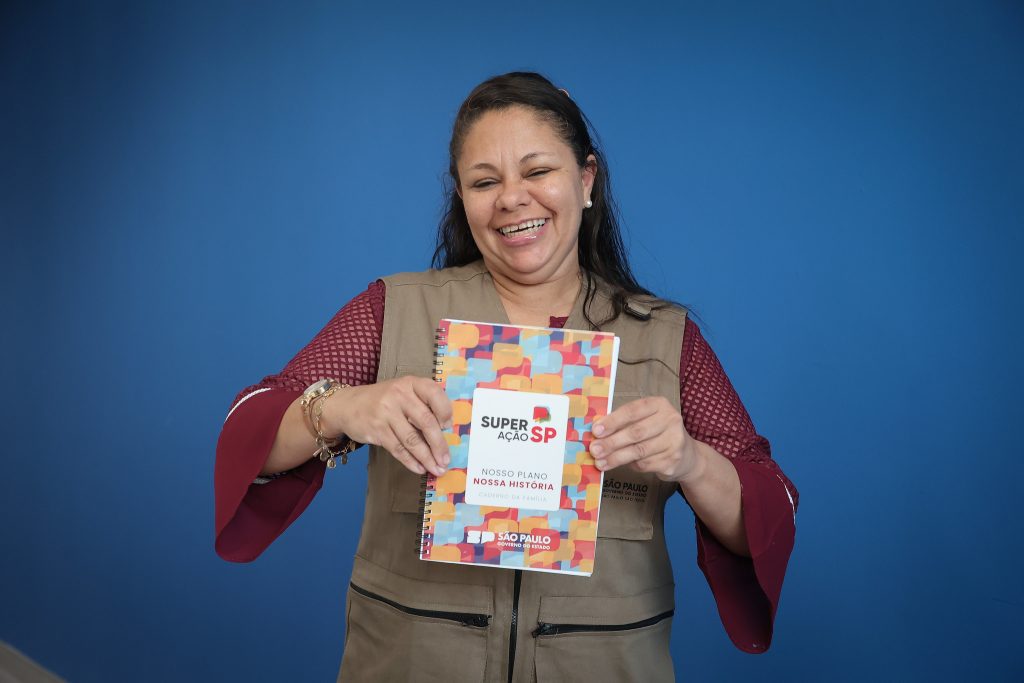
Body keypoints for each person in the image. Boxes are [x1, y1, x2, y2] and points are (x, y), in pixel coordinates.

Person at [215, 72, 798, 682]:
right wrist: (340, 409)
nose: (512, 198)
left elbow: (764, 516)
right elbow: (250, 438)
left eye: (537, 171)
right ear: (462, 200)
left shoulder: (665, 338)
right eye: (485, 181)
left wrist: (691, 461)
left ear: (587, 179)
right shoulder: (394, 311)